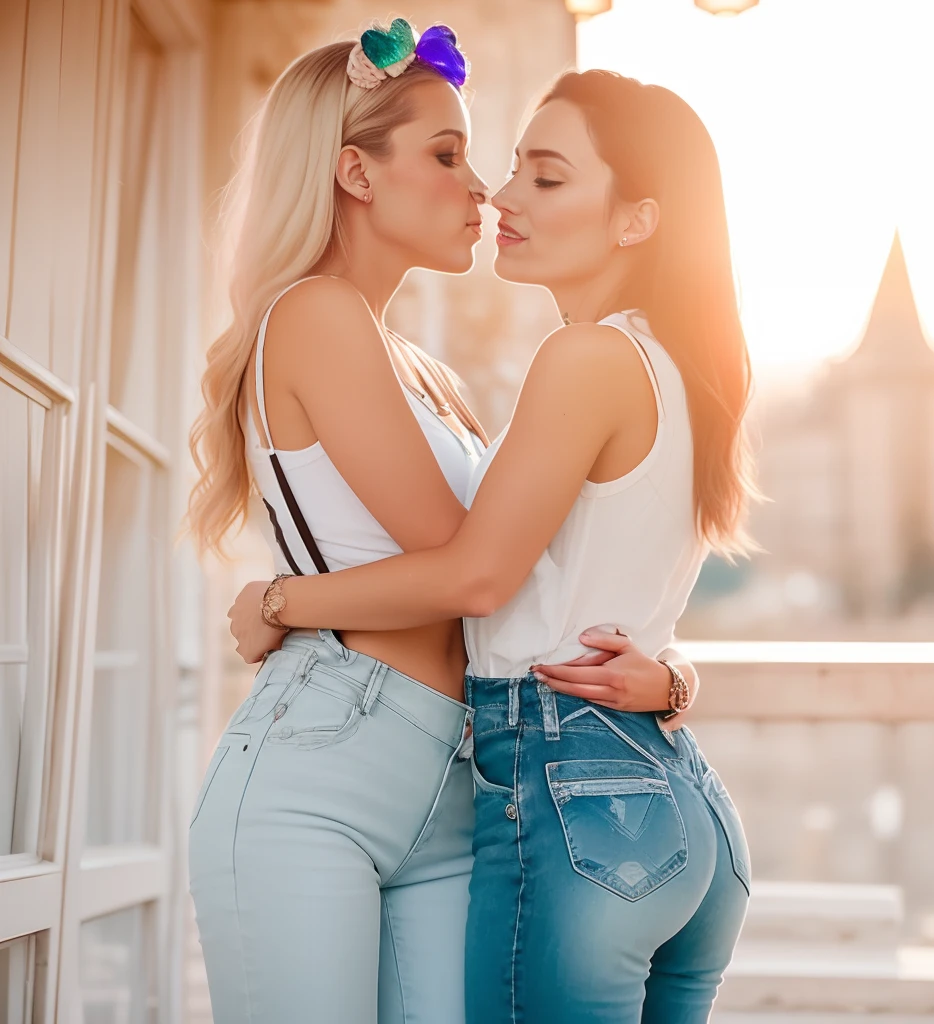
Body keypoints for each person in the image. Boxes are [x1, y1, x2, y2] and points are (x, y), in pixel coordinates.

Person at [188, 22, 696, 1024]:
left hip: (462, 777)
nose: (481, 191)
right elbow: (470, 568)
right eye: (447, 155)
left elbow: (532, 566)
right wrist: (292, 606)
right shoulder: (314, 314)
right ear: (355, 174)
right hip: (325, 765)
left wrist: (674, 673)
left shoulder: (427, 374)